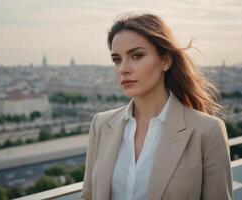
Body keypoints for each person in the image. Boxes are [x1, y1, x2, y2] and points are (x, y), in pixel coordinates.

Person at [80, 12, 233, 200]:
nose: (123, 69)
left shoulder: (208, 130)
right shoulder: (101, 124)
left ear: (165, 61)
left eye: (136, 56)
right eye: (117, 59)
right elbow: (88, 196)